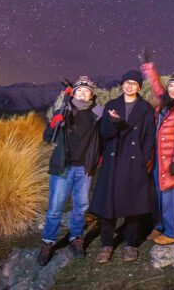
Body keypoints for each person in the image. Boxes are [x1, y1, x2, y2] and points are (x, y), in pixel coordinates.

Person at [89, 69, 156, 264]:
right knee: (107, 204)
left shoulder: (146, 108)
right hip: (114, 159)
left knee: (132, 205)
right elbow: (105, 134)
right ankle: (107, 244)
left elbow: (150, 135)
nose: (129, 86)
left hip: (134, 160)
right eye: (126, 82)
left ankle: (130, 244)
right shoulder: (112, 105)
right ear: (122, 85)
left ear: (139, 87)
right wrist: (114, 123)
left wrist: (144, 157)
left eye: (133, 83)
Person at [38, 76, 104, 266]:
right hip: (63, 167)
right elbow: (48, 138)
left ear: (92, 94)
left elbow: (104, 136)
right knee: (55, 208)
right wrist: (53, 123)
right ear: (74, 92)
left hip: (84, 168)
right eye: (79, 90)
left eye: (87, 90)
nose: (83, 93)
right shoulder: (64, 110)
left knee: (81, 207)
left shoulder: (98, 113)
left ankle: (76, 238)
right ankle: (48, 242)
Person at [140, 48, 174, 245]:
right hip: (158, 158)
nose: (172, 89)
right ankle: (161, 225)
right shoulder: (165, 103)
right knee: (159, 193)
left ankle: (173, 233)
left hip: (171, 159)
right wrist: (148, 66)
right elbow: (156, 86)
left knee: (170, 196)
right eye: (171, 85)